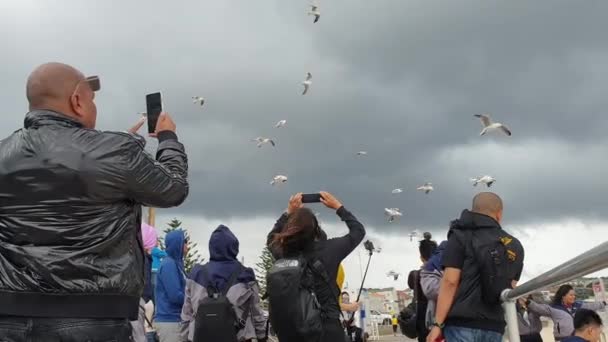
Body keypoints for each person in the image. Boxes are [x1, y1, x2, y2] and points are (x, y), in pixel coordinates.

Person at [0, 62, 188, 341]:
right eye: (91, 99)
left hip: (9, 315)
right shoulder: (116, 153)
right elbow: (173, 189)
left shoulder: (4, 153)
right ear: (77, 101)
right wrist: (168, 139)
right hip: (92, 317)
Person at [267, 192, 366, 342]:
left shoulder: (283, 253)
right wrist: (338, 207)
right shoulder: (329, 250)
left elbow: (271, 238)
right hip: (328, 330)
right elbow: (358, 231)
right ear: (316, 230)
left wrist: (289, 213)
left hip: (295, 331)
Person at [427, 192, 524, 342]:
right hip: (494, 325)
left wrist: (437, 324)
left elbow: (450, 281)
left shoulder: (460, 236)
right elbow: (509, 288)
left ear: (473, 210)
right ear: (499, 214)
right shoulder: (514, 245)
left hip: (461, 323)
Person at [181, 225, 267, 342]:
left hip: (201, 337)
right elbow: (256, 313)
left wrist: (184, 337)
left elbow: (187, 314)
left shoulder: (196, 274)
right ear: (234, 246)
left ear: (211, 247)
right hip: (238, 337)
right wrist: (262, 336)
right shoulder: (245, 274)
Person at [527, 284, 607, 340]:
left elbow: (591, 306)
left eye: (574, 295)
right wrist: (528, 302)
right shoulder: (554, 308)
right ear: (563, 296)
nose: (573, 297)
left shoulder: (578, 305)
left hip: (576, 338)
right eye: (571, 295)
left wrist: (604, 303)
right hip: (562, 339)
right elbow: (538, 308)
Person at [155, 230, 188, 342]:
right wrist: (192, 300)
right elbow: (175, 295)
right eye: (185, 241)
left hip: (175, 320)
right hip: (170, 321)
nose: (187, 244)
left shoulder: (176, 264)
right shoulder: (169, 264)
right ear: (177, 244)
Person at [408, 232, 437, 342]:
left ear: (421, 257)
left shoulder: (414, 275)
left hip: (422, 320)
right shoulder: (443, 274)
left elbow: (411, 285)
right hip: (440, 318)